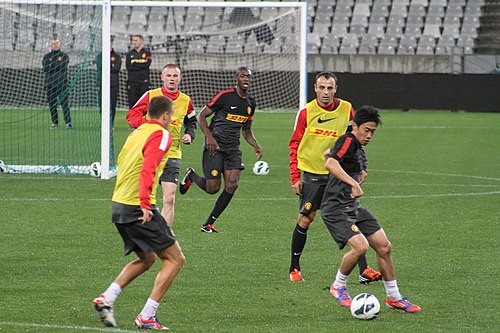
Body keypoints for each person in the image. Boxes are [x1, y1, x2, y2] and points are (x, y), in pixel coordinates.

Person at [92, 96, 186, 330]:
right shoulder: (161, 134)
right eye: (171, 114)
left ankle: (107, 299)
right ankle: (147, 316)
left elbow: (124, 162)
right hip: (137, 205)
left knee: (148, 258)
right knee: (175, 259)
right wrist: (145, 203)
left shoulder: (137, 132)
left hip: (119, 203)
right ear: (165, 115)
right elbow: (149, 168)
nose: (172, 118)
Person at [321, 106, 421, 313]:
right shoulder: (348, 140)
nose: (369, 135)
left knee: (384, 247)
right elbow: (330, 163)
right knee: (360, 247)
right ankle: (338, 286)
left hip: (352, 207)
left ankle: (393, 297)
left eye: (373, 132)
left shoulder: (355, 145)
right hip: (335, 208)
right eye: (366, 130)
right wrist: (353, 183)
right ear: (354, 126)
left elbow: (327, 153)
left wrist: (360, 171)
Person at [288, 72, 381, 284]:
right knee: (305, 219)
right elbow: (294, 144)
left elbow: (355, 138)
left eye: (330, 88)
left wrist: (362, 166)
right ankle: (294, 268)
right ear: (315, 89)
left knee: (350, 216)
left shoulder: (346, 109)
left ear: (335, 89)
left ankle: (364, 270)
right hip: (313, 174)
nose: (326, 92)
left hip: (340, 174)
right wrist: (295, 176)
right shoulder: (306, 112)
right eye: (322, 88)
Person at [178, 66, 263, 233]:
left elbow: (246, 130)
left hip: (233, 149)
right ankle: (192, 176)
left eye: (248, 77)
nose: (246, 79)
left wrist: (255, 144)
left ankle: (208, 224)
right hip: (215, 147)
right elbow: (202, 116)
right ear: (236, 78)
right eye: (242, 76)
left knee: (232, 184)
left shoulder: (250, 103)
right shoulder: (225, 97)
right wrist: (209, 137)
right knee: (212, 188)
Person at [126, 64, 197, 227]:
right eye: (169, 75)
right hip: (148, 152)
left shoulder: (186, 101)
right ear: (162, 77)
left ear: (180, 78)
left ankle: (164, 238)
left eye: (175, 76)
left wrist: (189, 134)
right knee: (141, 197)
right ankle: (141, 234)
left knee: (169, 198)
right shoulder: (151, 95)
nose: (172, 79)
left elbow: (191, 121)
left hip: (172, 153)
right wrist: (149, 125)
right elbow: (132, 115)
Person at [42, 38, 71, 129]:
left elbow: (62, 66)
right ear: (51, 45)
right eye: (53, 44)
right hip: (50, 84)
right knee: (52, 104)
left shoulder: (64, 56)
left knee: (64, 104)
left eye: (57, 43)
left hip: (62, 84)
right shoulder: (46, 56)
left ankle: (68, 122)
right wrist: (55, 66)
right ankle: (55, 123)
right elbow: (46, 67)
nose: (55, 45)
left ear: (59, 44)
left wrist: (52, 65)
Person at [96, 39, 122, 127]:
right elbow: (100, 67)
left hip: (113, 84)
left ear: (111, 45)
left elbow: (116, 69)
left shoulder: (117, 56)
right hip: (102, 84)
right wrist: (111, 65)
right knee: (102, 104)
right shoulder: (100, 56)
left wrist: (108, 66)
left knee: (112, 105)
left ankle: (111, 124)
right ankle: (103, 123)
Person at [126, 35, 152, 108]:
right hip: (132, 82)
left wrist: (135, 64)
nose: (134, 42)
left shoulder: (147, 52)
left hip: (144, 82)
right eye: (133, 40)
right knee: (133, 103)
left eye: (136, 40)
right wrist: (141, 65)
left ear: (141, 41)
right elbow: (129, 67)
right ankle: (132, 119)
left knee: (144, 103)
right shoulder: (130, 54)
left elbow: (147, 64)